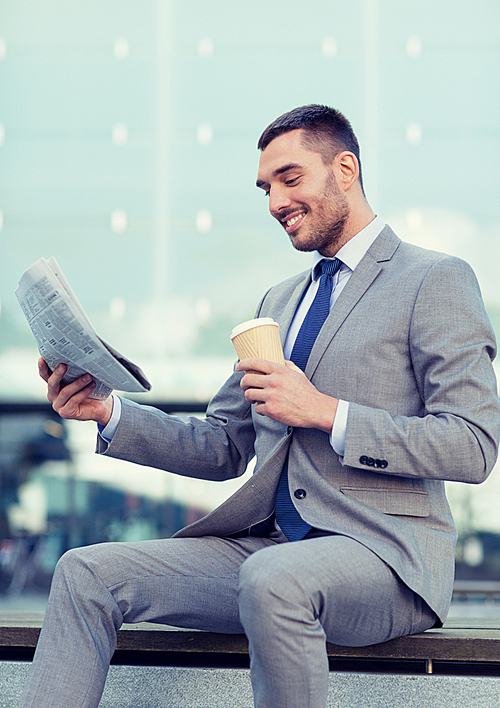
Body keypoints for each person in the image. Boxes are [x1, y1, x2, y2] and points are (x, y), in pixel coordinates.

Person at [20, 104, 500, 708]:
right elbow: (224, 445)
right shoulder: (281, 298)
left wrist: (327, 411)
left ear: (345, 169)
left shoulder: (435, 279)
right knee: (84, 572)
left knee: (274, 579)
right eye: (265, 187)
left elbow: (473, 444)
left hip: (388, 559)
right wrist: (108, 411)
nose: (275, 201)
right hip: (268, 552)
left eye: (290, 178)